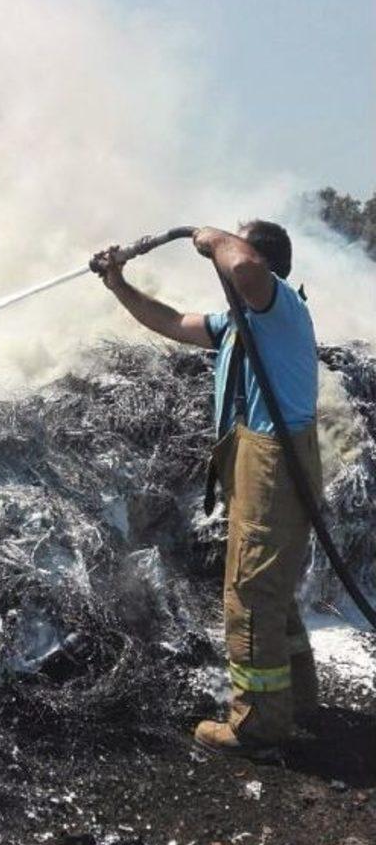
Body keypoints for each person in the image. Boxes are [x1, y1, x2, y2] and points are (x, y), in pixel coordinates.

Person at [94, 222, 322, 752]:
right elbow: (171, 321)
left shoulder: (278, 306)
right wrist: (118, 285)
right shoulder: (243, 324)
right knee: (273, 587)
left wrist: (211, 236)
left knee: (251, 593)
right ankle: (299, 699)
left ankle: (259, 726)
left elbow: (242, 266)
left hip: (274, 467)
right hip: (261, 463)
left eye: (238, 249)